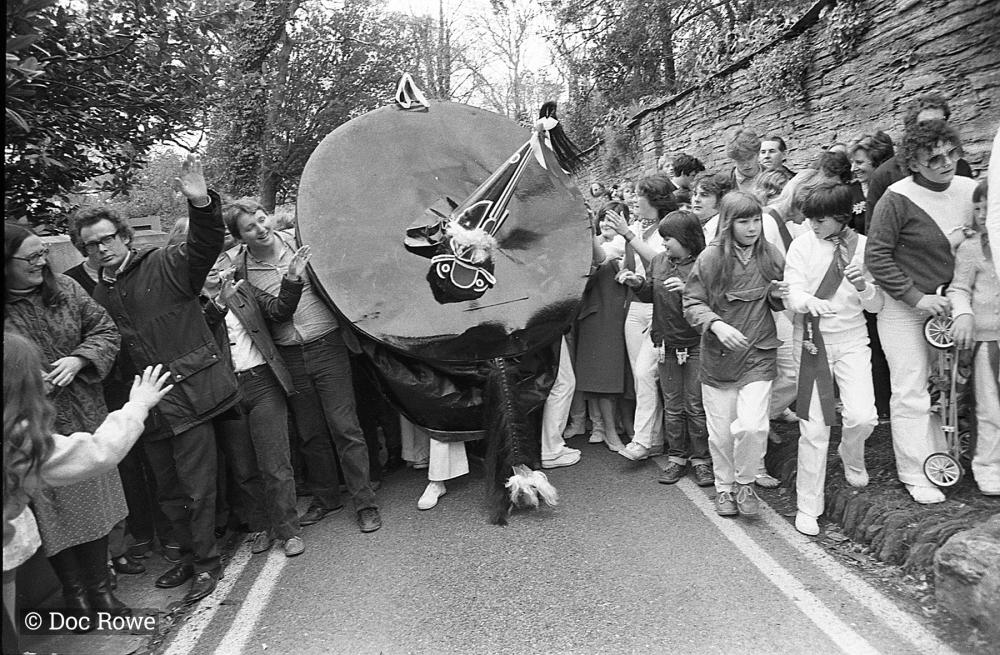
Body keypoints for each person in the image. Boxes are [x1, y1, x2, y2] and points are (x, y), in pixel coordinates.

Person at [74, 154, 240, 603]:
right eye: (91, 245)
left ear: (124, 236)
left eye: (107, 238)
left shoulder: (165, 263)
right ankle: (186, 555)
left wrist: (200, 202)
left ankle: (207, 563)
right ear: (84, 252)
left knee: (198, 489)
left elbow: (205, 245)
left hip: (190, 397)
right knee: (168, 491)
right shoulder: (99, 294)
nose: (101, 248)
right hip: (148, 409)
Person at [222, 197, 383, 533]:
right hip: (288, 354)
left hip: (327, 344)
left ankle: (365, 502)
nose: (260, 229)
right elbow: (272, 312)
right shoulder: (241, 269)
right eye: (250, 227)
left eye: (262, 219)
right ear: (239, 238)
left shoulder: (300, 241)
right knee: (310, 432)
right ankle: (326, 498)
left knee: (345, 426)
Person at [4, 336, 172, 649]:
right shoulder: (18, 440)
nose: (42, 376)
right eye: (33, 372)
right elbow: (98, 453)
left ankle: (92, 592)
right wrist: (138, 404)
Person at [5, 223, 131, 616]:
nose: (41, 262)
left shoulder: (66, 288)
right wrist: (26, 383)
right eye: (31, 257)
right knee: (51, 511)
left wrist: (80, 359)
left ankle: (101, 592)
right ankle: (74, 597)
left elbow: (105, 330)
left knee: (93, 501)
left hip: (83, 413)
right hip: (32, 426)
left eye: (43, 253)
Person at [866, 119, 977, 505]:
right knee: (911, 389)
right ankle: (916, 473)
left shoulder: (970, 190)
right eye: (934, 159)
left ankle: (952, 459)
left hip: (954, 305)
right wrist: (916, 298)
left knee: (951, 387)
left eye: (951, 153)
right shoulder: (896, 198)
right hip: (904, 309)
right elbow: (877, 256)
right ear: (913, 162)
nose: (946, 163)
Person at [781, 182, 882, 536]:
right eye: (809, 218)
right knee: (813, 428)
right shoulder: (801, 245)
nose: (812, 225)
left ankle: (851, 454)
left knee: (863, 416)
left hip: (853, 339)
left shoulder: (863, 248)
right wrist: (808, 302)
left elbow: (877, 305)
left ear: (842, 217)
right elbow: (792, 292)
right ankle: (808, 505)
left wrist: (863, 286)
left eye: (820, 219)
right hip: (811, 340)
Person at [202, 244, 311, 557]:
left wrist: (292, 279)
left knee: (275, 462)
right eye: (206, 260)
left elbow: (278, 311)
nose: (214, 266)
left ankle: (288, 530)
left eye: (219, 258)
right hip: (226, 392)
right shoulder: (189, 304)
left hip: (263, 382)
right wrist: (218, 305)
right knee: (244, 467)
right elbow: (198, 338)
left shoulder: (244, 288)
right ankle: (262, 526)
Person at [684, 191, 785, 517]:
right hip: (719, 358)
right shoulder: (710, 258)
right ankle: (724, 488)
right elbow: (692, 303)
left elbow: (780, 300)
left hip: (759, 352)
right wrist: (716, 325)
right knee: (721, 433)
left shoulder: (769, 254)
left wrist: (779, 294)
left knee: (753, 426)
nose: (752, 228)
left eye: (756, 220)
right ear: (728, 223)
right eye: (744, 221)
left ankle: (745, 483)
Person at [604, 175, 679, 461]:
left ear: (654, 199)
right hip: (636, 306)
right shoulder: (635, 228)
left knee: (650, 374)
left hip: (662, 308)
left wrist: (627, 235)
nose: (634, 200)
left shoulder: (670, 227)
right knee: (641, 376)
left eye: (639, 195)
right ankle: (653, 439)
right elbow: (607, 253)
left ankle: (651, 439)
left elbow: (661, 262)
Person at [638, 211, 712, 486]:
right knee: (672, 406)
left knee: (695, 406)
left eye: (668, 238)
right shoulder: (658, 261)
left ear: (686, 238)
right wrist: (637, 285)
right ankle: (677, 458)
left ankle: (701, 460)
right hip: (665, 344)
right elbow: (650, 294)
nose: (664, 243)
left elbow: (716, 301)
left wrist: (686, 290)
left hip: (696, 344)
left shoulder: (706, 263)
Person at [948, 179, 999, 496]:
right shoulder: (971, 248)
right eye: (977, 208)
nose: (981, 214)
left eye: (988, 208)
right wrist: (963, 313)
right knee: (989, 406)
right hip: (988, 340)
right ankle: (988, 465)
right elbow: (959, 288)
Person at [865, 93, 974, 231]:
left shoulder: (960, 167)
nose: (935, 130)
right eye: (926, 125)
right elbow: (874, 231)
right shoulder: (884, 175)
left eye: (941, 122)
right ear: (911, 130)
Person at [572, 202, 630, 452]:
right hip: (601, 315)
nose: (607, 223)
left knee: (623, 376)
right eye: (604, 218)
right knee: (604, 376)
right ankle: (606, 429)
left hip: (625, 314)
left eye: (615, 218)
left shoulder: (629, 243)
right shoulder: (596, 245)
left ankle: (622, 426)